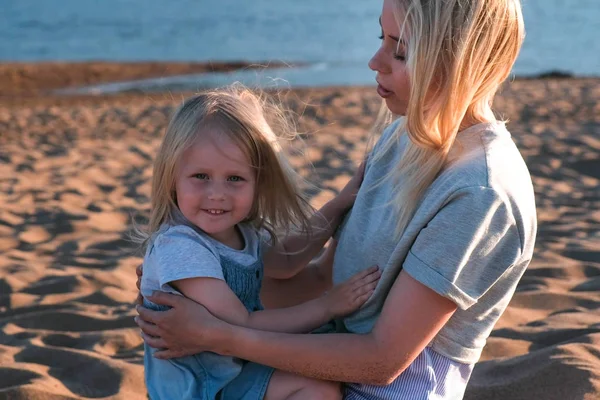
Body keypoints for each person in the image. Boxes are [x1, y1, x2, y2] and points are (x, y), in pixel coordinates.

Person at [135, 0, 537, 398]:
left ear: (461, 61)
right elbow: (321, 279)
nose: (374, 61)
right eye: (382, 37)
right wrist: (194, 282)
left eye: (400, 50)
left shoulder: (480, 193)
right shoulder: (401, 139)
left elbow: (382, 361)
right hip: (309, 363)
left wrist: (217, 335)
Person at [135, 85, 381, 400]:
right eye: (201, 176)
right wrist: (327, 305)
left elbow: (288, 260)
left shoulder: (240, 232)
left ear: (258, 182)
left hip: (233, 368)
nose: (217, 193)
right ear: (172, 176)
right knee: (317, 388)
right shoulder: (182, 247)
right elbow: (244, 323)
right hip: (201, 388)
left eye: (235, 178)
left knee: (321, 368)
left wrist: (340, 205)